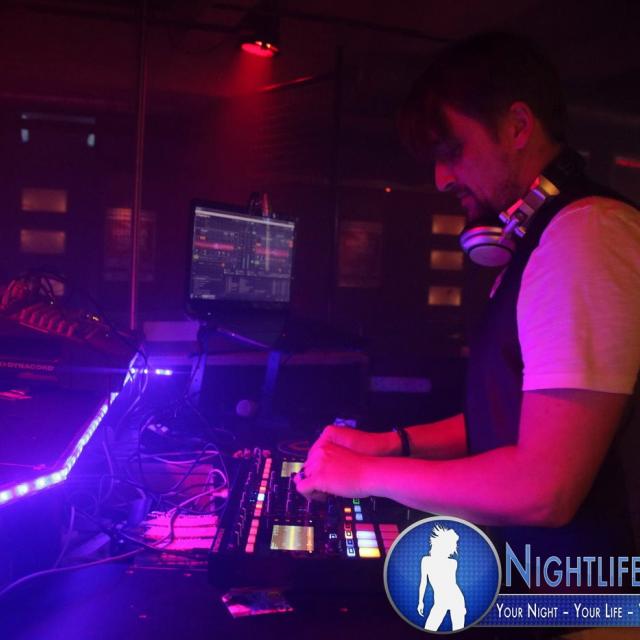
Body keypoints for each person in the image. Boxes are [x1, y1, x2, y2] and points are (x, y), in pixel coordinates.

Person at [294, 32, 640, 583]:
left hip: (581, 602)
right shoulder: (546, 240)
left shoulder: (586, 237)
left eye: (451, 150)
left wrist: (364, 475)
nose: (441, 178)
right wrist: (389, 447)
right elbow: (510, 421)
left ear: (517, 126)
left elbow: (543, 489)